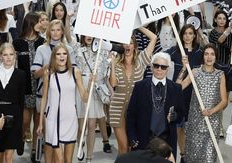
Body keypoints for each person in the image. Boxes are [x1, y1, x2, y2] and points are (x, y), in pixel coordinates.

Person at [36, 44, 89, 163]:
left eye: (64, 54)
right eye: (58, 54)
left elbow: (85, 98)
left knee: (68, 160)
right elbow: (44, 98)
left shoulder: (75, 72)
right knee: (59, 159)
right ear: (54, 57)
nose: (62, 56)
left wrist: (90, 83)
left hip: (70, 119)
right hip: (52, 120)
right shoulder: (48, 72)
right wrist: (40, 123)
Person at [109, 27, 157, 155]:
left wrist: (139, 26)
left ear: (135, 46)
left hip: (136, 109)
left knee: (133, 148)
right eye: (125, 43)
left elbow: (154, 38)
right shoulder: (117, 64)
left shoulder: (141, 60)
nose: (127, 46)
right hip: (117, 109)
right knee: (123, 148)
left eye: (130, 43)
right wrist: (112, 65)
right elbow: (113, 83)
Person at [126, 52, 184, 158]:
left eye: (163, 67)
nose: (159, 69)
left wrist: (175, 116)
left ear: (168, 69)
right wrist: (132, 137)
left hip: (167, 140)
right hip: (143, 139)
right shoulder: (140, 86)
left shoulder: (176, 88)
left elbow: (181, 114)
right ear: (152, 67)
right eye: (156, 66)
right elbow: (130, 114)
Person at [178, 44, 228, 163]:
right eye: (206, 54)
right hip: (195, 122)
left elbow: (224, 100)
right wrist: (184, 69)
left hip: (212, 122)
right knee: (192, 158)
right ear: (203, 57)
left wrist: (212, 111)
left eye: (212, 54)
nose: (209, 57)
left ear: (216, 57)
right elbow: (178, 87)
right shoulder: (195, 72)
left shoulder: (220, 74)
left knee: (209, 158)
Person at [165, 24, 203, 161]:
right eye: (185, 33)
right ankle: (182, 155)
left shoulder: (199, 53)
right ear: (181, 35)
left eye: (190, 33)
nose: (187, 36)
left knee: (191, 128)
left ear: (194, 35)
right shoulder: (173, 52)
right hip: (177, 95)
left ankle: (189, 154)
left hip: (194, 95)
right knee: (178, 127)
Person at [0, 43, 26, 163]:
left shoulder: (21, 75)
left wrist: (20, 125)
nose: (8, 57)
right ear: (0, 56)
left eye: (11, 54)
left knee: (9, 157)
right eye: (5, 54)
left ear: (15, 56)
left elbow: (21, 101)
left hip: (13, 116)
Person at [13, 12, 45, 162]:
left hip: (40, 86)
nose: (42, 24)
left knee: (38, 121)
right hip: (24, 86)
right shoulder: (17, 43)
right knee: (25, 120)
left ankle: (35, 150)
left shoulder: (43, 42)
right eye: (39, 21)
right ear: (31, 23)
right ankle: (20, 138)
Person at [74, 35, 112, 162]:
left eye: (92, 34)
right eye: (87, 34)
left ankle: (89, 156)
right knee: (81, 126)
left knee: (91, 124)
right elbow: (74, 68)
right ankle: (80, 147)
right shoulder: (77, 48)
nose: (89, 37)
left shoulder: (102, 51)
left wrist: (99, 78)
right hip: (81, 86)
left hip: (96, 86)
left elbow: (105, 72)